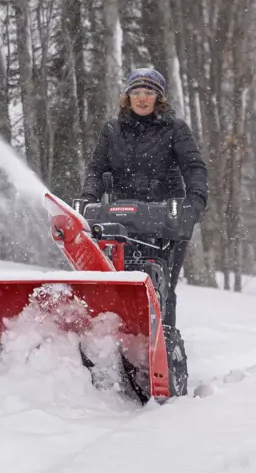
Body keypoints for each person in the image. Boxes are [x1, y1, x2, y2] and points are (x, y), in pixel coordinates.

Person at [80, 66, 208, 330]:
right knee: (116, 283)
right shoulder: (112, 130)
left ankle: (165, 345)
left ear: (158, 97)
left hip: (165, 219)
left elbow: (194, 167)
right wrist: (87, 198)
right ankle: (115, 340)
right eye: (136, 91)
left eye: (148, 92)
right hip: (119, 220)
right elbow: (96, 168)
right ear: (127, 96)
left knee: (162, 285)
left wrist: (194, 204)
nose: (142, 97)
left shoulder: (175, 129)